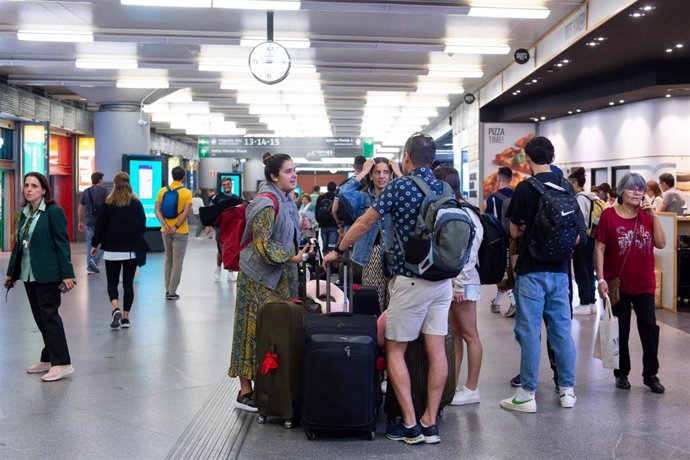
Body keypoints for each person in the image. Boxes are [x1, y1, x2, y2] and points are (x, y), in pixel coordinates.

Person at [324, 134, 452, 445]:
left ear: (406, 157)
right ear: (432, 159)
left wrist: (338, 250)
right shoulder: (444, 187)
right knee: (437, 351)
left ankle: (409, 425)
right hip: (442, 280)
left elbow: (365, 223)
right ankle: (430, 422)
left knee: (395, 348)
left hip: (410, 280)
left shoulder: (400, 186)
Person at [500, 136, 585, 413]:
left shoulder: (524, 189)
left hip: (532, 271)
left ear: (527, 159)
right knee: (562, 332)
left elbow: (513, 231)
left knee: (529, 332)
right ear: (553, 156)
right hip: (560, 272)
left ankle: (527, 393)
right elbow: (577, 234)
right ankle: (567, 390)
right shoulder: (566, 187)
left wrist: (526, 230)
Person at [228, 153, 312, 411]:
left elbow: (284, 232)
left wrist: (301, 227)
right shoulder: (265, 202)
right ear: (274, 176)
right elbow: (263, 244)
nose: (294, 175)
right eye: (288, 171)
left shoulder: (287, 200)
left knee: (273, 332)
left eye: (294, 170)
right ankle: (245, 391)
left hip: (280, 277)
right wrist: (293, 257)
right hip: (258, 277)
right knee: (251, 331)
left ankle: (269, 385)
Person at [595, 173, 666, 394]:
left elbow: (662, 244)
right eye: (632, 189)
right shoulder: (608, 216)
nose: (637, 193)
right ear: (621, 192)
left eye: (641, 189)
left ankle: (650, 374)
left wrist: (653, 215)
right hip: (619, 284)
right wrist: (601, 279)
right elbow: (599, 248)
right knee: (621, 330)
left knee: (649, 329)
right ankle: (622, 373)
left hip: (644, 283)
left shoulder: (647, 216)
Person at [4, 172, 76, 382]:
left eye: (34, 186)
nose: (29, 189)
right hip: (29, 274)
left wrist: (67, 274)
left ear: (44, 190)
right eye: (26, 185)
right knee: (40, 317)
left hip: (48, 274)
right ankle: (48, 359)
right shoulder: (26, 214)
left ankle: (62, 363)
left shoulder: (53, 212)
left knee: (50, 317)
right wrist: (11, 272)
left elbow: (62, 244)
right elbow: (20, 245)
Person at [433, 166, 484, 407]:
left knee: (469, 334)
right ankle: (453, 384)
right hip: (453, 283)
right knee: (455, 334)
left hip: (463, 283)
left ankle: (472, 387)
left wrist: (459, 285)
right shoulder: (453, 210)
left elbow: (469, 254)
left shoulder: (466, 213)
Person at [338, 157, 401, 310]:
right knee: (374, 302)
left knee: (395, 304)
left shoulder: (398, 196)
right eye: (377, 172)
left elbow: (416, 196)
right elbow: (343, 193)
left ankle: (389, 334)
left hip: (396, 254)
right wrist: (364, 171)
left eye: (386, 172)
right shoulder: (363, 198)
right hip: (371, 254)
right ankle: (376, 332)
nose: (382, 176)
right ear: (371, 176)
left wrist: (400, 174)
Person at [91, 172, 148, 329]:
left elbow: (100, 226)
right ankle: (125, 319)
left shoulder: (108, 203)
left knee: (112, 283)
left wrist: (94, 245)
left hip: (112, 251)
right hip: (131, 251)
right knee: (128, 285)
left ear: (114, 184)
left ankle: (115, 307)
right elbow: (143, 227)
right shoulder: (136, 203)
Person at [154, 166, 193, 300]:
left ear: (172, 176)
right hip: (180, 231)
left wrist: (166, 225)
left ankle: (167, 289)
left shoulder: (162, 191)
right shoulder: (186, 193)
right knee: (177, 262)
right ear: (183, 177)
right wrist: (176, 226)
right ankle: (172, 291)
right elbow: (186, 212)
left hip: (165, 231)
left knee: (168, 260)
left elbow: (157, 210)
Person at [485, 166, 517, 317]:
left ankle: (514, 302)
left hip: (501, 240)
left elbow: (490, 220)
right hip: (516, 240)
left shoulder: (493, 198)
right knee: (510, 272)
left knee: (503, 272)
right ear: (511, 178)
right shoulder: (517, 195)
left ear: (498, 178)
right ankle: (497, 303)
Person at [568, 167, 599, 315]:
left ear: (575, 183)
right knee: (589, 269)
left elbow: (578, 220)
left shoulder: (580, 198)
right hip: (592, 237)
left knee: (581, 270)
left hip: (582, 238)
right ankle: (592, 302)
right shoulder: (593, 196)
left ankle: (584, 302)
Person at [207, 177, 241, 282]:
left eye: (228, 184)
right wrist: (209, 225)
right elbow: (210, 211)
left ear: (231, 185)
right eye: (224, 184)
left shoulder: (236, 198)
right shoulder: (217, 197)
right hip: (220, 227)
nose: (226, 186)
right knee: (221, 250)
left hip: (232, 228)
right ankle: (218, 269)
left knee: (231, 249)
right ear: (222, 186)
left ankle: (230, 272)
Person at [78, 171, 108, 274]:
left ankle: (90, 268)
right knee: (104, 243)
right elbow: (109, 206)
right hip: (101, 222)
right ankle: (94, 260)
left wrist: (80, 221)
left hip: (89, 222)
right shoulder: (105, 191)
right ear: (100, 180)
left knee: (90, 245)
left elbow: (81, 207)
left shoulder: (86, 191)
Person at [332, 155, 366, 232]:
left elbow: (334, 209)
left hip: (349, 224)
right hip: (366, 225)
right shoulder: (369, 184)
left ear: (353, 166)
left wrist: (338, 222)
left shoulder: (343, 185)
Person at [315, 181, 339, 254]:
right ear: (335, 189)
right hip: (334, 224)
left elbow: (316, 211)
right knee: (332, 246)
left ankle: (325, 262)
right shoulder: (337, 198)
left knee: (324, 246)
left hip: (323, 225)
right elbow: (338, 211)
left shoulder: (320, 197)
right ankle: (332, 263)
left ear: (327, 188)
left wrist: (319, 222)